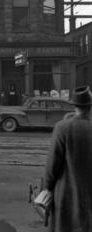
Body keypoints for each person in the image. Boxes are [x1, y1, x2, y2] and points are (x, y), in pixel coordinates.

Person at [44, 85, 92, 232]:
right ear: (90, 107)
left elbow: (53, 165)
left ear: (74, 106)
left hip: (66, 193)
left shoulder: (62, 127)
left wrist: (48, 187)